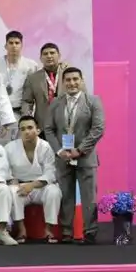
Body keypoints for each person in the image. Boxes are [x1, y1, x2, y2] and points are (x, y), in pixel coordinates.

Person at [43, 68, 104, 245]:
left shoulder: (93, 101)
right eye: (68, 80)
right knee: (65, 195)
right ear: (63, 83)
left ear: (81, 80)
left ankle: (90, 231)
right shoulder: (55, 102)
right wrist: (59, 150)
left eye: (75, 79)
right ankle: (66, 232)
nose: (72, 83)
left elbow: (98, 128)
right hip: (63, 157)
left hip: (86, 157)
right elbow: (48, 128)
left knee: (89, 196)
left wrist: (81, 149)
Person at [5, 116, 62, 243]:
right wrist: (13, 181)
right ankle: (21, 230)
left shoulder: (46, 147)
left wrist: (32, 185)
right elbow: (5, 171)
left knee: (54, 191)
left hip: (40, 186)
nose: (26, 131)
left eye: (30, 128)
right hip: (20, 186)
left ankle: (49, 230)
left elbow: (50, 172)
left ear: (38, 130)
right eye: (23, 129)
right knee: (12, 192)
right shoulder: (10, 148)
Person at [0, 31, 41, 143]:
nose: (14, 46)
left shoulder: (31, 65)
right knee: (0, 148)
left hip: (19, 113)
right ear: (5, 45)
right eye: (11, 43)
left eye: (17, 43)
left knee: (18, 148)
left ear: (22, 45)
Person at [20, 42, 70, 134]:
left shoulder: (69, 75)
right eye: (45, 54)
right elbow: (27, 101)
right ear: (40, 58)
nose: (49, 56)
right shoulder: (33, 78)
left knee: (66, 148)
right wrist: (27, 119)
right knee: (45, 148)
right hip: (43, 126)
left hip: (68, 126)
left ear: (59, 55)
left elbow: (81, 96)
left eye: (52, 53)